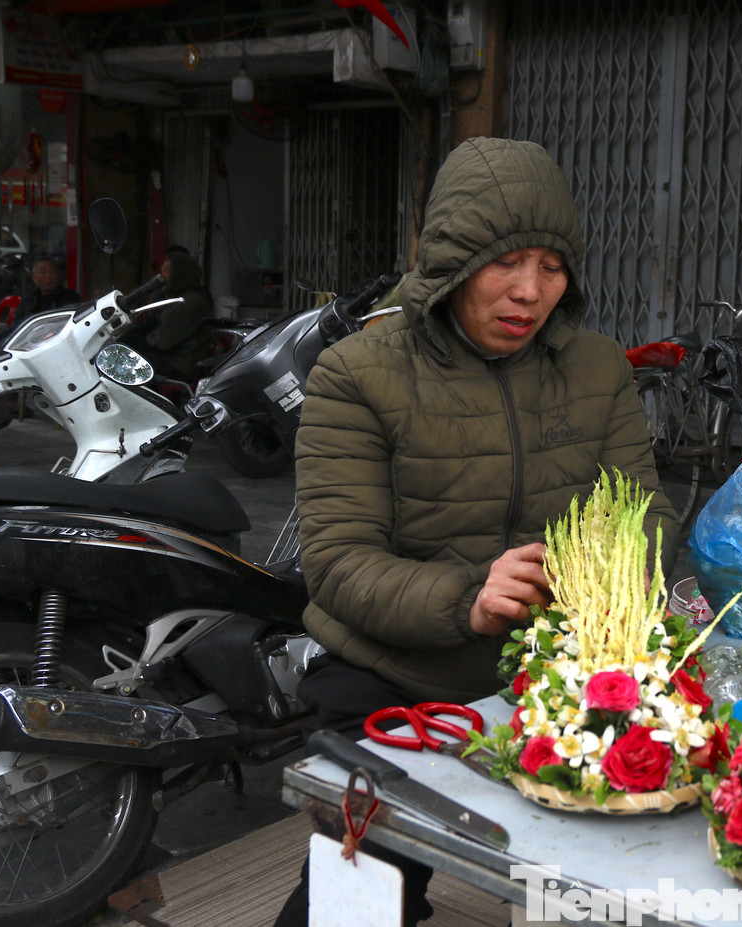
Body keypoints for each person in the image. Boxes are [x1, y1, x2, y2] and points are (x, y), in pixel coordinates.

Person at [270, 137, 679, 927]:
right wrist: (470, 598)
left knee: (612, 871)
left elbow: (648, 517)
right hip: (392, 680)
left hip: (552, 676)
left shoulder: (597, 368)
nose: (530, 291)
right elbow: (338, 561)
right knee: (365, 886)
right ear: (453, 263)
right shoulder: (357, 374)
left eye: (553, 268)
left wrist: (596, 577)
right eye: (505, 263)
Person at [0, 256, 80, 359]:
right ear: (35, 279)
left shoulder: (70, 297)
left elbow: (59, 325)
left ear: (60, 276)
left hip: (52, 344)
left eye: (53, 272)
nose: (49, 276)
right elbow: (16, 326)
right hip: (25, 343)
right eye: (43, 272)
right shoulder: (29, 299)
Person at [135, 247, 215, 381]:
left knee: (127, 358)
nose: (161, 279)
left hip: (180, 365)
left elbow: (162, 341)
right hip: (175, 359)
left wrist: (146, 339)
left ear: (178, 276)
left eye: (165, 274)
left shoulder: (191, 302)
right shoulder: (182, 298)